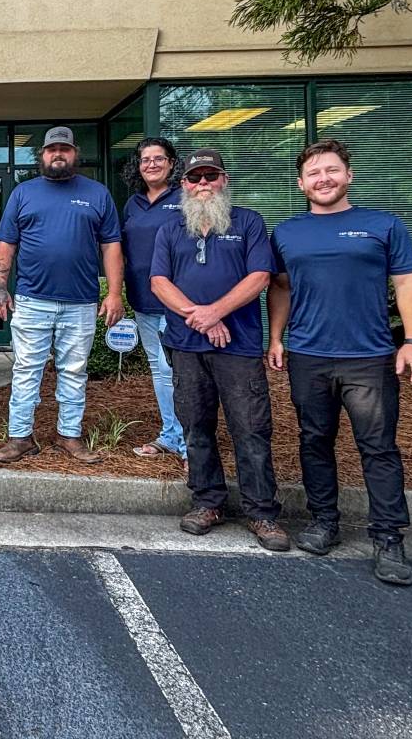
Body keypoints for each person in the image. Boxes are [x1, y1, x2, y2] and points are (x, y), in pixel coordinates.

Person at [267, 138, 412, 585]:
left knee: (378, 448)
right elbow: (280, 288)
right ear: (301, 184)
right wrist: (276, 338)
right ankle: (324, 522)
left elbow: (409, 285)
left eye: (332, 170)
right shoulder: (287, 233)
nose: (324, 179)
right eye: (314, 173)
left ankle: (388, 538)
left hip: (369, 357)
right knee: (314, 440)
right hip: (308, 354)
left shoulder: (382, 225)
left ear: (348, 175)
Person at [149, 148, 289, 551]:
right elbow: (160, 282)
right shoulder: (172, 229)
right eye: (195, 178)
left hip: (239, 347)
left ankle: (262, 512)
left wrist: (217, 313)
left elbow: (261, 276)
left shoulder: (249, 223)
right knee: (196, 428)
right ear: (184, 186)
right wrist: (202, 318)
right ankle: (208, 502)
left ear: (223, 180)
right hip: (185, 346)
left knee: (251, 430)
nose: (203, 184)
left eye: (211, 176)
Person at [0, 125, 124, 465]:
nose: (58, 154)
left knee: (75, 371)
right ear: (43, 156)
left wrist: (115, 294)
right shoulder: (24, 193)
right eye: (52, 150)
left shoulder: (97, 193)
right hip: (32, 300)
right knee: (26, 370)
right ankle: (20, 438)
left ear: (75, 153)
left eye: (64, 149)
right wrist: (0, 289)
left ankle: (69, 435)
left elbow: (111, 246)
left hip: (80, 302)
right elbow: (7, 245)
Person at [120, 138, 187, 464]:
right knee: (160, 372)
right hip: (144, 302)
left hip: (177, 302)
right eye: (145, 160)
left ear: (172, 163)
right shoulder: (133, 204)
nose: (151, 164)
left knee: (175, 370)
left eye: (158, 158)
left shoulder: (186, 197)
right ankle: (171, 436)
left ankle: (191, 444)